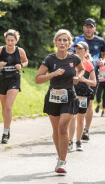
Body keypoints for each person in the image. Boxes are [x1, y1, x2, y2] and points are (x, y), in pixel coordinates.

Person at [35, 29, 84, 173]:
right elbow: (38, 79)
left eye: (65, 40)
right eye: (59, 40)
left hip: (69, 95)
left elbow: (81, 70)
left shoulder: (74, 59)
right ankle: (60, 157)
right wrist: (53, 74)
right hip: (53, 96)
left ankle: (62, 162)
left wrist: (78, 77)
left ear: (69, 43)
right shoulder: (50, 59)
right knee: (56, 130)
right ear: (55, 42)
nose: (62, 43)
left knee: (63, 127)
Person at [69, 18, 105, 141]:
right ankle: (72, 133)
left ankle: (86, 130)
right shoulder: (77, 40)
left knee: (90, 103)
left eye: (91, 27)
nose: (89, 29)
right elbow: (70, 52)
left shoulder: (100, 41)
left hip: (92, 74)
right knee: (74, 104)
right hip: (76, 74)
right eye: (87, 26)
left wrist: (103, 60)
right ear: (84, 28)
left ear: (94, 29)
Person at [0, 29, 28, 144]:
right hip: (2, 79)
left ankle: (5, 132)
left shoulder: (20, 51)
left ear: (16, 40)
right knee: (4, 107)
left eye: (12, 40)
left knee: (9, 106)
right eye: (8, 40)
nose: (10, 43)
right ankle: (7, 126)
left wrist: (20, 65)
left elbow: (26, 62)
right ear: (5, 40)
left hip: (14, 79)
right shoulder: (0, 49)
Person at [68, 42, 96, 152]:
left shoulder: (89, 65)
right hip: (72, 92)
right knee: (72, 118)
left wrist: (85, 80)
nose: (78, 50)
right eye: (76, 48)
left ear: (86, 51)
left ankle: (78, 142)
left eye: (80, 48)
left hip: (83, 94)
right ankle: (70, 141)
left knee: (80, 119)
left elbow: (94, 82)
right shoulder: (71, 62)